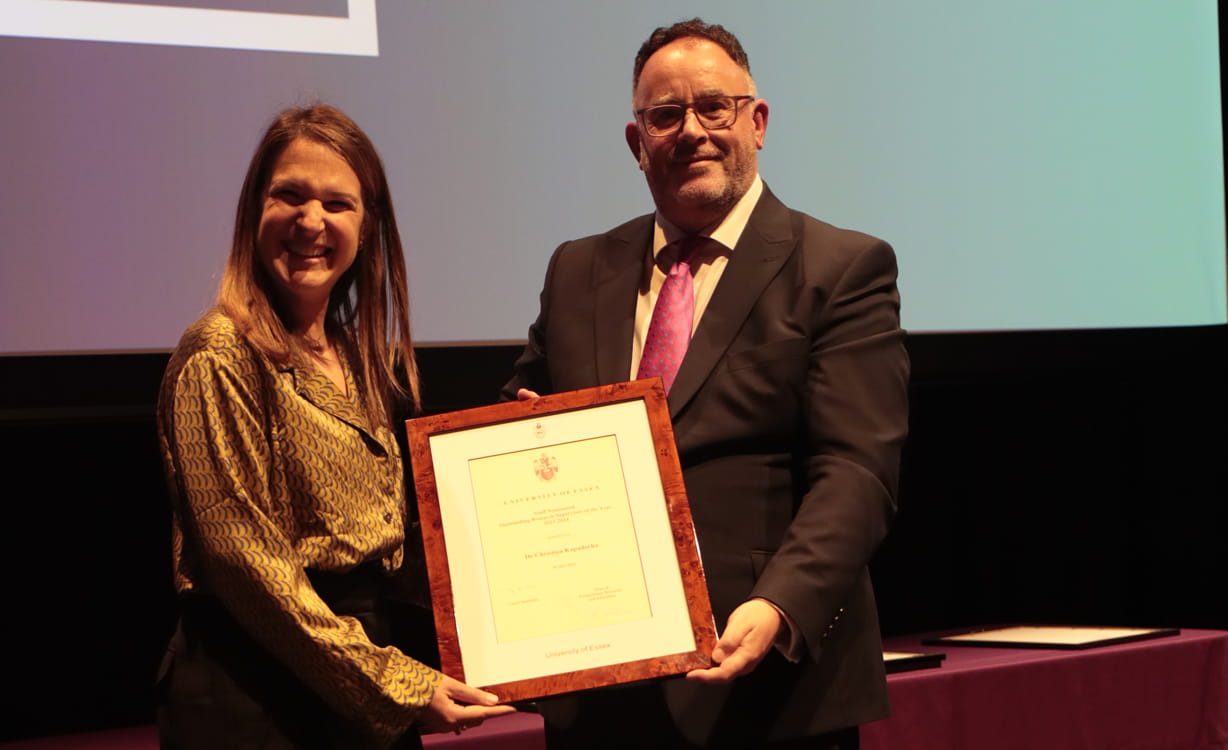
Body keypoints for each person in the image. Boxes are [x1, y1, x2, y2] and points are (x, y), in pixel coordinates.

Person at [502, 19, 909, 750]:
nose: (692, 130)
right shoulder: (576, 269)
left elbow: (857, 472)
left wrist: (782, 605)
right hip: (599, 691)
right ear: (637, 144)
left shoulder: (841, 268)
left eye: (713, 107)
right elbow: (521, 413)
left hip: (765, 687)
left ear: (756, 122)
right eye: (665, 116)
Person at [155, 104, 513, 749]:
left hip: (355, 683)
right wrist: (395, 686)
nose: (311, 222)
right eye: (289, 195)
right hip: (259, 693)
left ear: (368, 226)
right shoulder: (220, 353)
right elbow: (246, 566)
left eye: (337, 204)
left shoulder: (360, 360)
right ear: (253, 211)